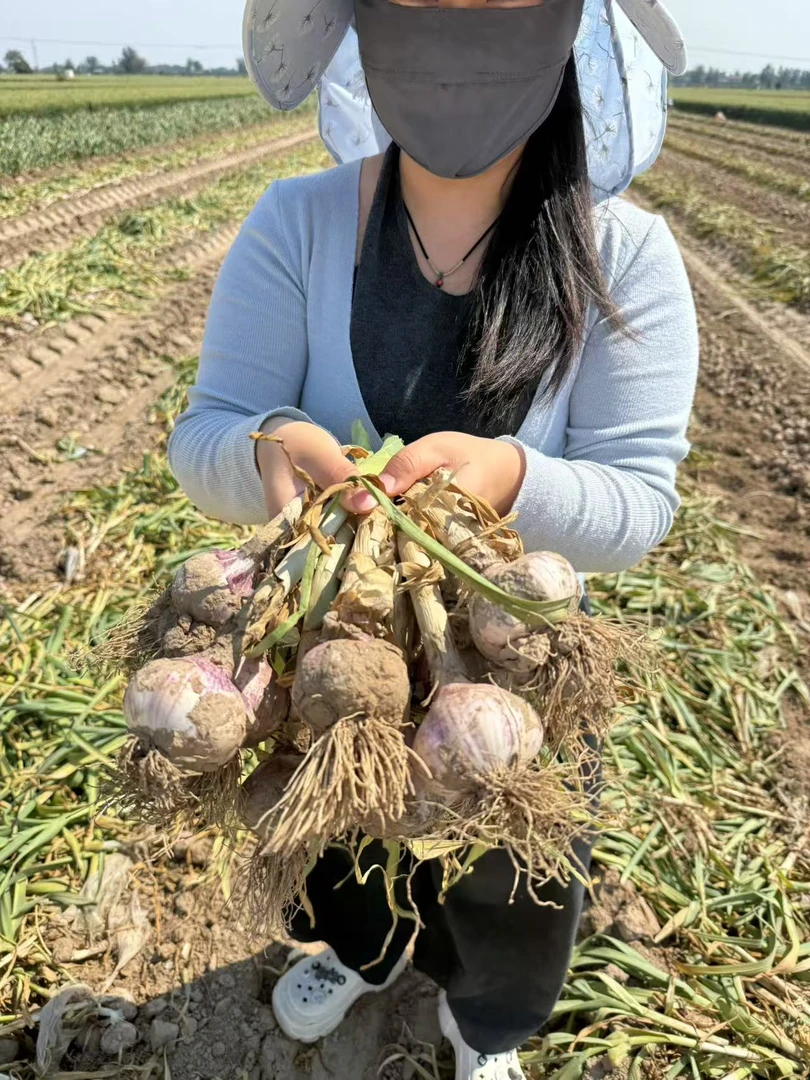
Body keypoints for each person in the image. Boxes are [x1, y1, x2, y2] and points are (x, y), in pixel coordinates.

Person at [168, 0, 698, 1075]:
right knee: (340, 834)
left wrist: (510, 478)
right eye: (414, 9)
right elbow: (205, 430)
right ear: (363, 34)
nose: (453, 46)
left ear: (565, 33)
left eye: (496, 9)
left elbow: (640, 502)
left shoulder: (628, 256)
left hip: (515, 658)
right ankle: (360, 954)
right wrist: (267, 446)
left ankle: (484, 1020)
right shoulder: (296, 223)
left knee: (513, 863)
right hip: (329, 651)